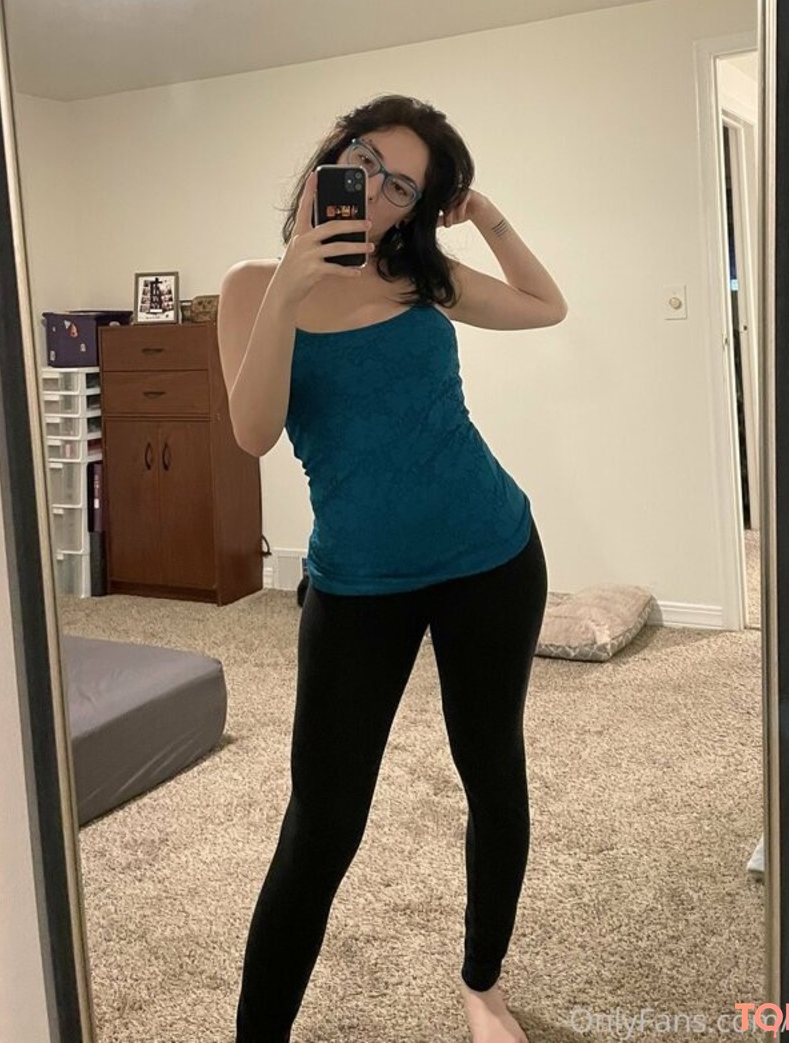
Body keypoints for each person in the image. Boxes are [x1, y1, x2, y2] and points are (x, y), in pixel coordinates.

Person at [218, 94, 568, 1042]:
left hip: (491, 555)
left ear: (415, 208)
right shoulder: (252, 286)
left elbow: (546, 306)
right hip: (356, 583)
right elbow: (253, 432)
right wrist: (290, 286)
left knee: (490, 770)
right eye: (364, 159)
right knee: (322, 823)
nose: (373, 188)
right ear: (334, 151)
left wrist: (482, 213)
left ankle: (483, 985)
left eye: (402, 186)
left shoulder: (422, 274)